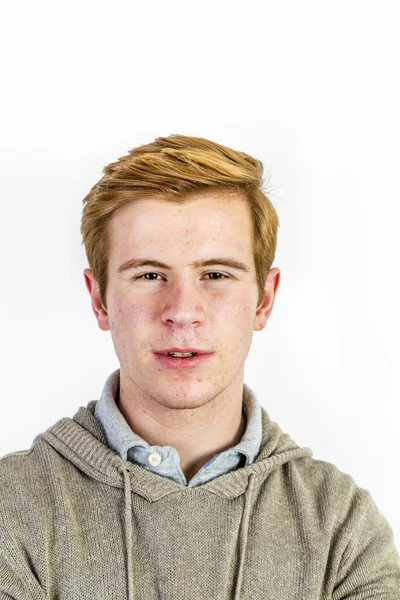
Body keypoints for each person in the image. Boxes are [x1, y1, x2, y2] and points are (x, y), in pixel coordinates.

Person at [0, 135, 399, 600]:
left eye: (216, 275)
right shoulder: (13, 509)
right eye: (149, 275)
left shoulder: (340, 527)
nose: (183, 311)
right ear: (99, 299)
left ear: (264, 300)